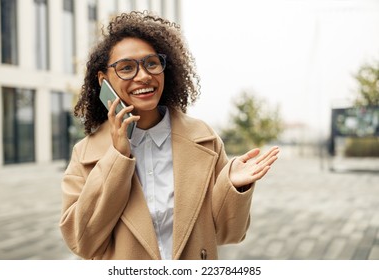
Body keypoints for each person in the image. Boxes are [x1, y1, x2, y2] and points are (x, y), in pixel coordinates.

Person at [59, 11, 279, 260]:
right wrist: (118, 156)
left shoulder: (204, 140)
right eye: (126, 68)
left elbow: (228, 234)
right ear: (103, 79)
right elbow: (82, 242)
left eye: (151, 63)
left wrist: (232, 187)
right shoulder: (85, 155)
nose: (143, 76)